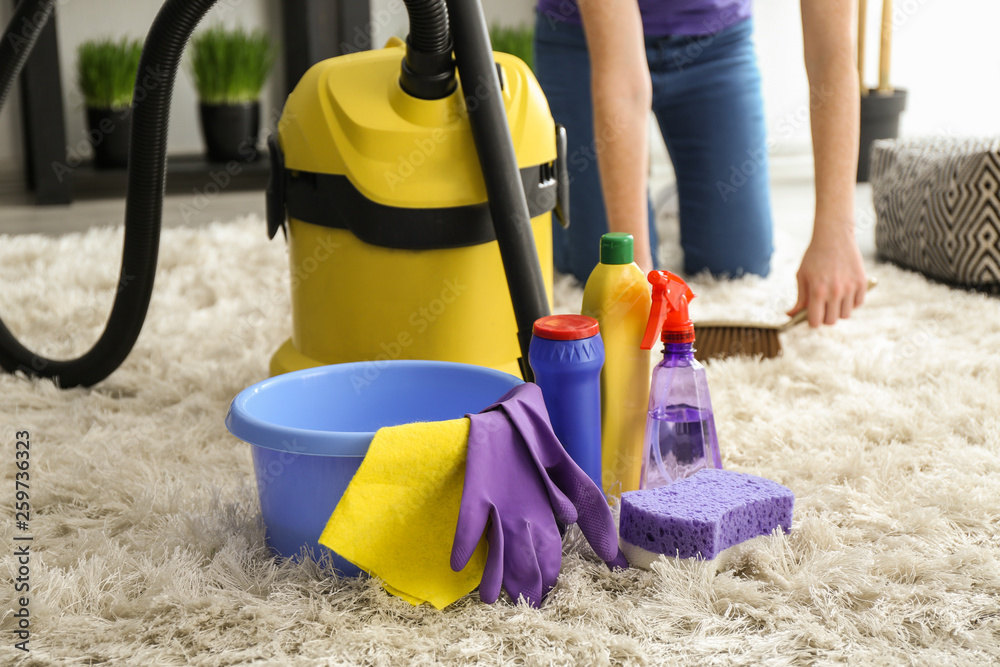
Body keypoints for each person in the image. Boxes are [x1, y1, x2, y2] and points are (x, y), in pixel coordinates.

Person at [534, 0, 868, 327]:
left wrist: (837, 232)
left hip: (715, 42)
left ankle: (686, 196)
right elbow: (622, 82)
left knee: (738, 264)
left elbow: (831, 55)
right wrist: (634, 274)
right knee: (601, 267)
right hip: (581, 44)